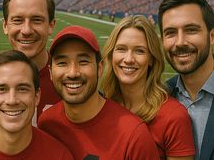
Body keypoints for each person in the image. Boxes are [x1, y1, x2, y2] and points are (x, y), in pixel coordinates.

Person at [38, 25, 160, 159]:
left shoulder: (134, 135)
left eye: (83, 61)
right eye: (62, 63)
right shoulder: (47, 123)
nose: (73, 73)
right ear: (50, 72)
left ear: (100, 68)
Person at [100, 15, 195, 159]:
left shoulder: (174, 117)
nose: (129, 59)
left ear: (151, 59)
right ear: (111, 55)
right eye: (121, 49)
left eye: (139, 51)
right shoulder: (101, 105)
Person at [158, 0, 214, 160]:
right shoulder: (159, 98)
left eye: (191, 30)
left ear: (212, 37)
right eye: (170, 33)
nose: (180, 42)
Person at [2, 0, 60, 124]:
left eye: (36, 20)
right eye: (17, 20)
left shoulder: (68, 79)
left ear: (51, 26)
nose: (26, 30)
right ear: (5, 26)